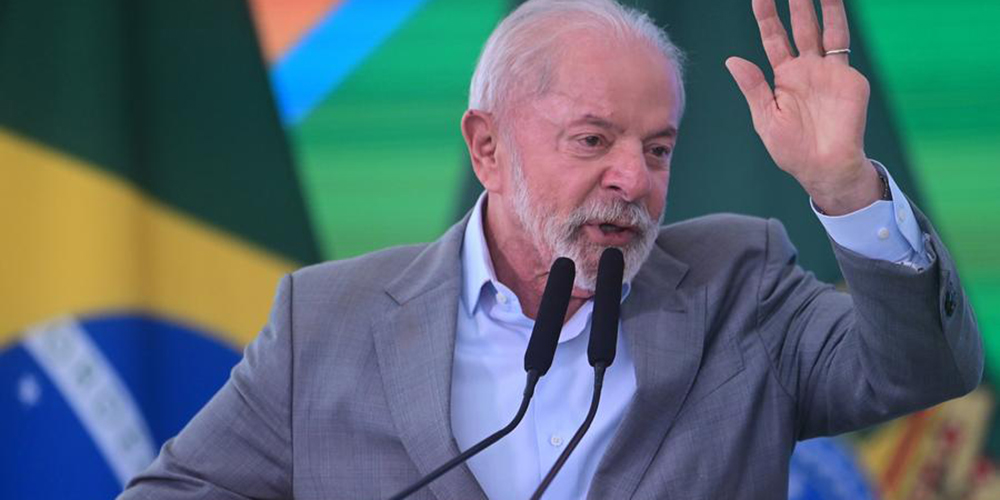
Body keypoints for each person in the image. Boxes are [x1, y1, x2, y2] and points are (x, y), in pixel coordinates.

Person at [119, 0, 983, 498]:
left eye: (657, 149)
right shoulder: (327, 321)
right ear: (487, 147)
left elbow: (924, 369)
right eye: (592, 140)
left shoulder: (739, 286)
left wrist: (845, 187)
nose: (631, 179)